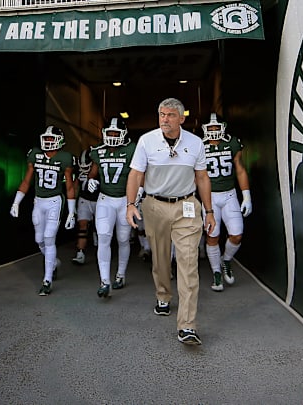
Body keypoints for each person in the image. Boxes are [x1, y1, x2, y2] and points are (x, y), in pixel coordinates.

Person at [126, 98, 216, 345]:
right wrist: (130, 204)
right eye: (161, 114)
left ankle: (187, 326)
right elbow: (136, 174)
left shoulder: (196, 143)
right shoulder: (147, 141)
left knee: (188, 263)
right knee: (161, 257)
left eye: (170, 115)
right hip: (155, 205)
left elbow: (202, 178)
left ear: (182, 119)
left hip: (186, 206)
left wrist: (208, 211)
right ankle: (163, 295)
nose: (164, 119)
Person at [10, 125, 76, 296]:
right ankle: (53, 262)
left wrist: (71, 211)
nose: (48, 141)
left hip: (55, 201)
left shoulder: (65, 158)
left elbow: (69, 186)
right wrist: (17, 202)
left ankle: (47, 280)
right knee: (39, 239)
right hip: (39, 201)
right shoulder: (36, 154)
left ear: (59, 141)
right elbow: (26, 180)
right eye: (46, 138)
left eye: (51, 139)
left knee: (49, 237)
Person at [201, 113, 252, 292]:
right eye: (210, 127)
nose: (214, 131)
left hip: (229, 195)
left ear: (222, 127)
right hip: (210, 197)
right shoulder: (199, 146)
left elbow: (240, 169)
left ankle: (226, 260)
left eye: (216, 127)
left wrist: (246, 195)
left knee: (237, 234)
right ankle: (216, 272)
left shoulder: (232, 143)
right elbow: (195, 176)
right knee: (212, 236)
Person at [87, 118, 136, 298]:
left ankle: (120, 275)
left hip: (124, 199)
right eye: (110, 133)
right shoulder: (98, 151)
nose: (113, 136)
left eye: (116, 133)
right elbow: (93, 170)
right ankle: (104, 281)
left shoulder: (132, 149)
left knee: (123, 239)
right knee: (103, 238)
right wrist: (92, 179)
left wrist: (139, 192)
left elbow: (139, 172)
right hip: (105, 199)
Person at [72, 148, 100, 265]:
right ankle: (80, 253)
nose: (84, 167)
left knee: (100, 227)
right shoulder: (78, 171)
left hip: (99, 201)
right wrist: (72, 203)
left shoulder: (99, 170)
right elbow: (75, 186)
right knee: (82, 225)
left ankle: (100, 251)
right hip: (84, 199)